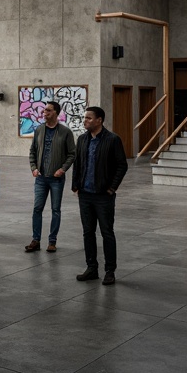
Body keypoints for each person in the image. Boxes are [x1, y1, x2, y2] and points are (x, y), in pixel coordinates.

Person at [70, 106, 128, 285]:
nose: (85, 120)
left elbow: (122, 165)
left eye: (88, 118)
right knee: (88, 232)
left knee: (106, 233)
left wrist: (111, 188)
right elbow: (78, 163)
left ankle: (110, 271)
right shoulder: (82, 139)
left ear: (99, 120)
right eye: (84, 118)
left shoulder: (112, 140)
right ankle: (91, 268)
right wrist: (76, 186)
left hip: (103, 196)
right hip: (85, 195)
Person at [25, 101, 75, 252]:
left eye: (48, 110)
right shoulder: (39, 130)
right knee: (37, 209)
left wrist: (63, 169)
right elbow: (32, 151)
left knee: (55, 210)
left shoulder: (65, 132)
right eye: (44, 110)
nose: (44, 113)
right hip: (41, 178)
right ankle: (36, 240)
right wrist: (33, 168)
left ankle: (52, 241)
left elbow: (72, 154)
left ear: (55, 113)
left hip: (57, 179)